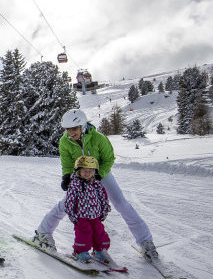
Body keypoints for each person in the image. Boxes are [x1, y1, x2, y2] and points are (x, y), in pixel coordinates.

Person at [33, 109, 159, 259]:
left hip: (100, 174)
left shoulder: (99, 138)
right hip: (79, 176)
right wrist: (66, 177)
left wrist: (100, 174)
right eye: (67, 129)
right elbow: (66, 163)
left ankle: (146, 242)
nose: (70, 133)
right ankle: (43, 233)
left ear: (83, 126)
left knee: (120, 203)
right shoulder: (64, 141)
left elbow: (109, 158)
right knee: (66, 204)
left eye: (73, 129)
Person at [64, 156, 113, 263]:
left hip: (96, 216)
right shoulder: (75, 184)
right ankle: (80, 252)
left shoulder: (97, 184)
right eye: (84, 171)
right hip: (81, 216)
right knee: (84, 234)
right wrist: (73, 216)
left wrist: (104, 211)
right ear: (78, 171)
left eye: (90, 171)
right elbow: (69, 201)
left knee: (99, 233)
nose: (88, 173)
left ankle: (100, 251)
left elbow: (103, 198)